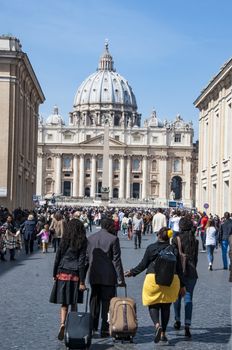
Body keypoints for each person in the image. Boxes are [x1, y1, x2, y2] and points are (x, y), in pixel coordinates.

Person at [125, 227, 184, 345]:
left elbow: (143, 265)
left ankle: (157, 325)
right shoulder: (174, 249)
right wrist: (182, 285)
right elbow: (179, 268)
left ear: (158, 236)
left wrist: (132, 272)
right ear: (169, 237)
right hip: (172, 280)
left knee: (153, 304)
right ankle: (163, 334)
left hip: (153, 279)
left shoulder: (151, 248)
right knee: (166, 307)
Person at [86, 217, 125, 337]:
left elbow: (87, 258)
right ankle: (104, 328)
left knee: (94, 301)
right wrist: (121, 278)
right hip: (108, 276)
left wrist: (83, 277)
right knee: (107, 302)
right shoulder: (113, 239)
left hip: (94, 274)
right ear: (109, 226)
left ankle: (92, 327)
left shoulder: (90, 238)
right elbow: (116, 260)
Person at [49, 217, 87, 341]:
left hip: (62, 271)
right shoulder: (82, 240)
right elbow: (81, 261)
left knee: (64, 303)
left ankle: (62, 324)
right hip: (75, 273)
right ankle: (73, 325)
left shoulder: (65, 239)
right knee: (74, 302)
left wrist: (54, 273)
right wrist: (82, 281)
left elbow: (58, 256)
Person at [173, 216, 199, 338]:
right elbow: (196, 259)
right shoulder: (195, 240)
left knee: (177, 297)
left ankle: (177, 320)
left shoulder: (176, 239)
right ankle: (187, 326)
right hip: (192, 273)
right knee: (188, 298)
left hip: (178, 273)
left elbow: (173, 258)